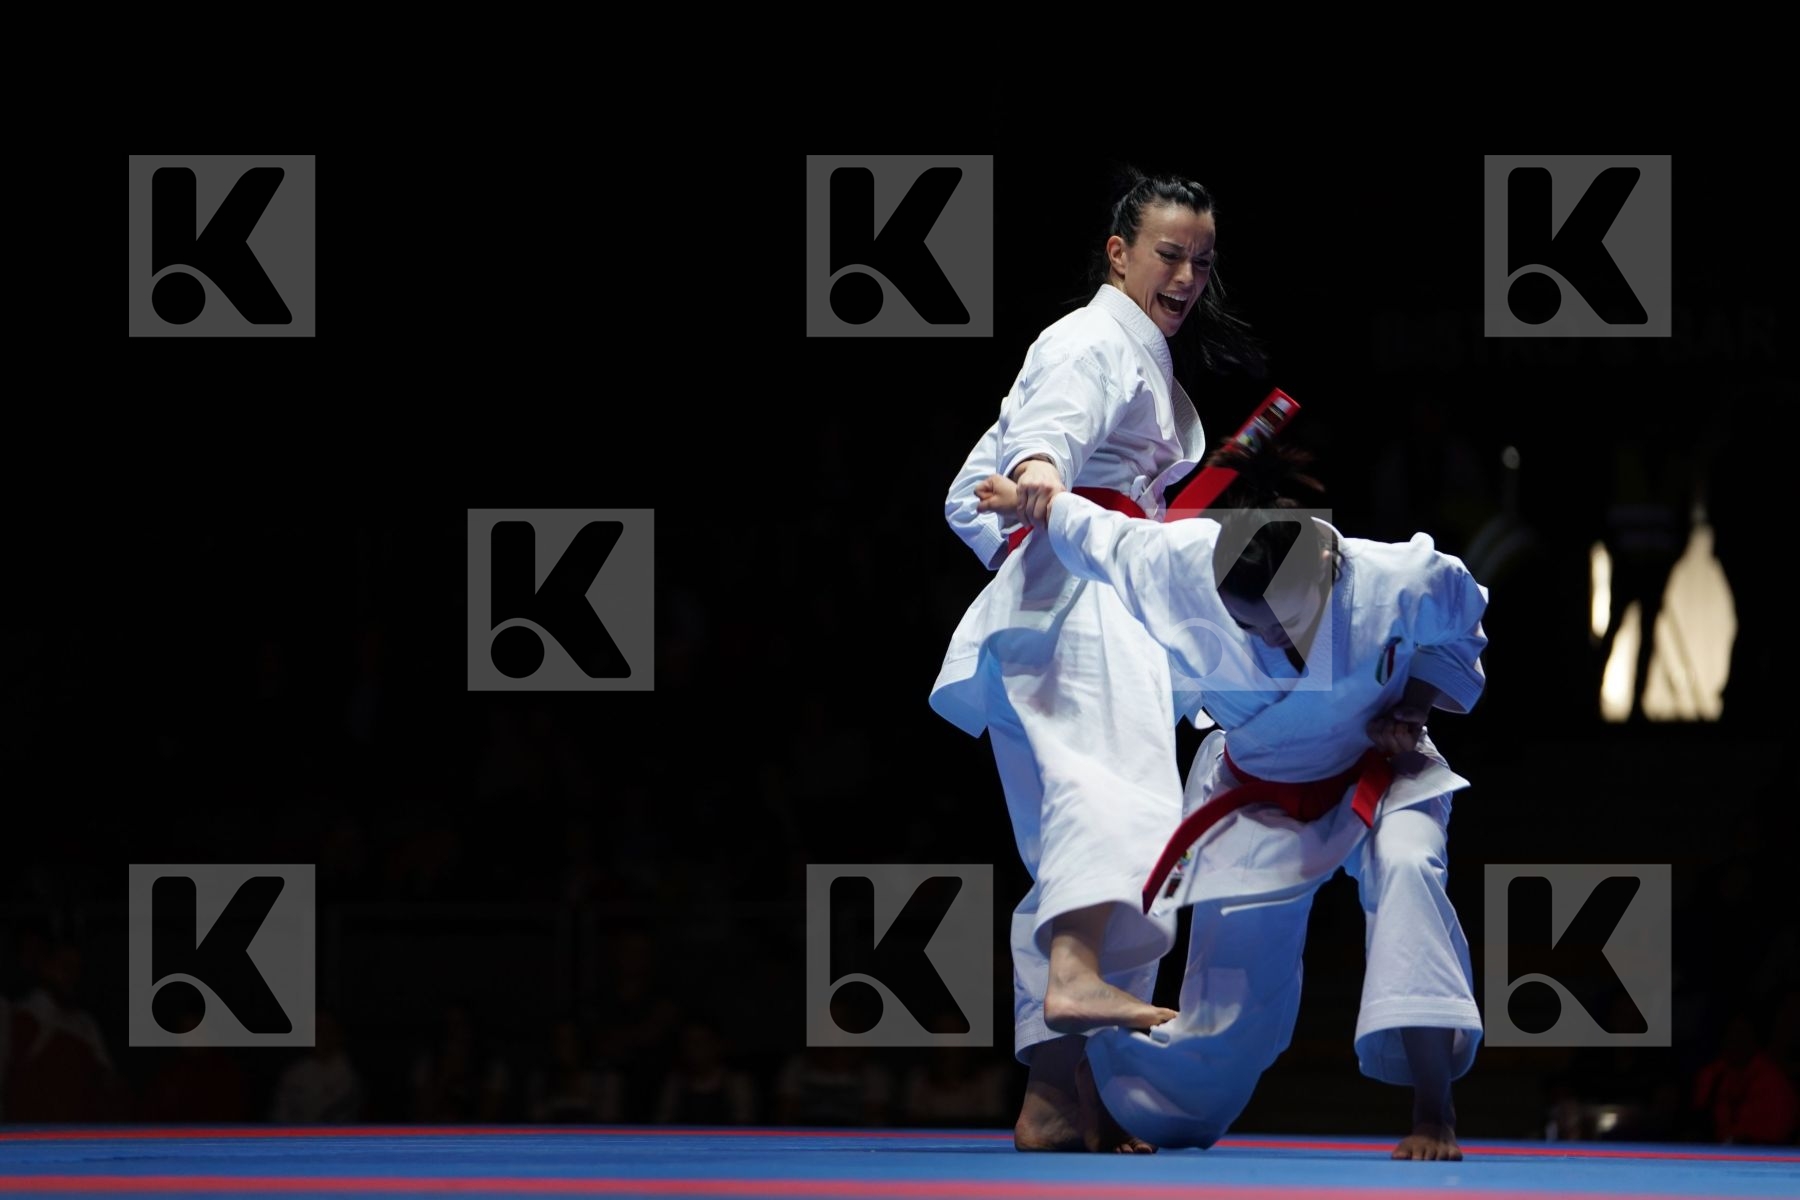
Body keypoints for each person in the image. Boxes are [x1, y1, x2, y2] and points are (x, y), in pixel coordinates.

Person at [975, 439, 1488, 1161]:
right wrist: (1033, 499)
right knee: (1222, 1029)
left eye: (1287, 621)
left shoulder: (1398, 577)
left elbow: (1463, 627)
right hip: (1256, 794)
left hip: (1382, 772)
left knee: (1408, 868)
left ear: (1326, 566)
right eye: (1253, 625)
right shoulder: (1177, 564)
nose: (1271, 638)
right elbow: (1098, 532)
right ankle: (1113, 1085)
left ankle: (1435, 1109)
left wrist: (1415, 704)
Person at [932, 169, 1258, 1152]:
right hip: (1081, 605)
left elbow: (964, 494)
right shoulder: (1087, 340)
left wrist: (1035, 505)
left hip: (1066, 600)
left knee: (1068, 840)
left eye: (1202, 261)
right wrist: (1044, 475)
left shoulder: (1134, 358)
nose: (1187, 277)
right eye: (1170, 254)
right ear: (1120, 255)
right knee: (1116, 800)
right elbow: (1048, 436)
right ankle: (1073, 977)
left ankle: (1056, 1098)